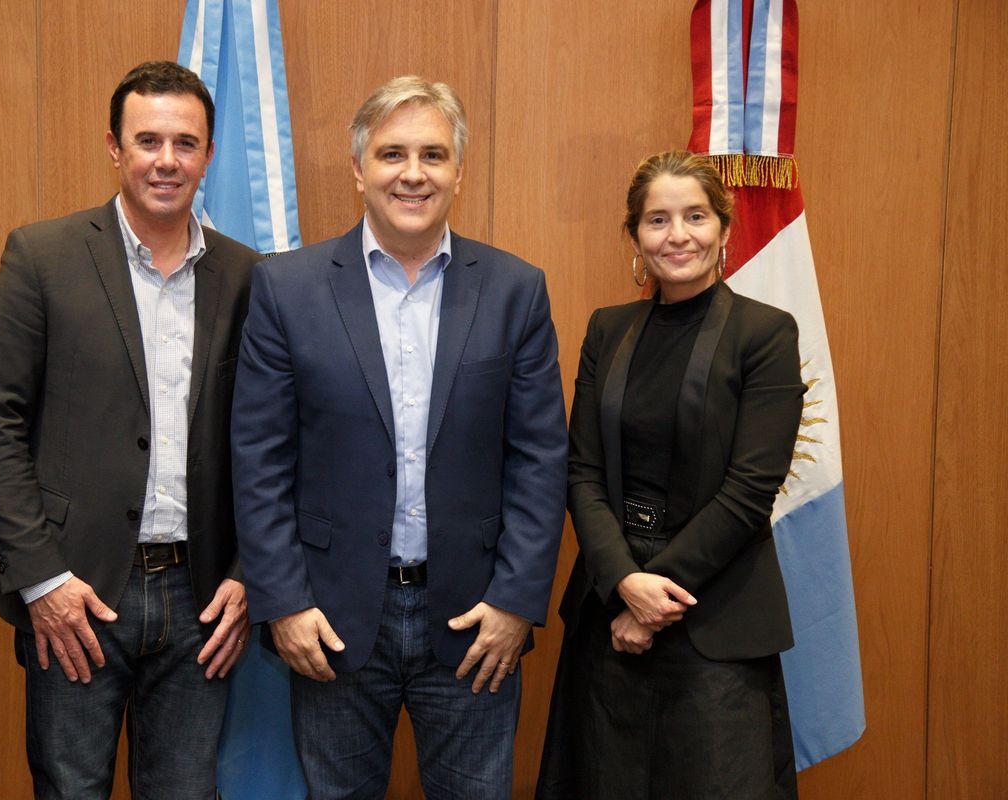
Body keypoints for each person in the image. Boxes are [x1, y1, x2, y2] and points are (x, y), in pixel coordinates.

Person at [231, 76, 567, 799]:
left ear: (458, 172)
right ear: (358, 169)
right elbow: (258, 460)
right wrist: (283, 602)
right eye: (392, 154)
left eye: (432, 155)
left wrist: (516, 601)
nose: (413, 173)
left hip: (476, 618)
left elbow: (540, 459)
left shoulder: (515, 290)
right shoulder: (286, 288)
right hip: (331, 618)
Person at [0, 61, 257, 799]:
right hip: (77, 593)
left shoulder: (250, 276)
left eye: (185, 143)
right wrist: (42, 580)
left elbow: (269, 440)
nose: (167, 160)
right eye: (148, 140)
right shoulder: (42, 257)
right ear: (113, 148)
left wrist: (248, 571)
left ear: (209, 155)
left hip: (201, 600)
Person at [536, 150, 804, 799]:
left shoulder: (766, 333)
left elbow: (750, 491)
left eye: (695, 216)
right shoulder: (608, 330)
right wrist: (625, 584)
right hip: (609, 616)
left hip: (716, 620)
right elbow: (582, 472)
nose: (677, 235)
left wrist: (654, 602)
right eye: (657, 220)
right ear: (635, 236)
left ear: (724, 228)